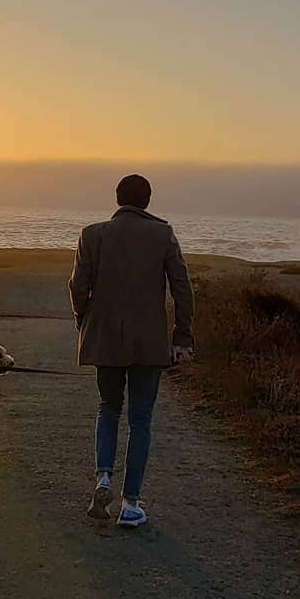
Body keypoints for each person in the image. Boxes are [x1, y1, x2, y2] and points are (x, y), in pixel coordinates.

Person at [68, 174, 194, 528]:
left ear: (117, 198)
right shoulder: (163, 233)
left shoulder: (92, 234)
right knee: (141, 420)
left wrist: (83, 321)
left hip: (105, 337)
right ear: (147, 201)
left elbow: (78, 285)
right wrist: (182, 337)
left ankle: (103, 478)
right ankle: (131, 503)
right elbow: (182, 288)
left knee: (108, 408)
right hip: (148, 342)